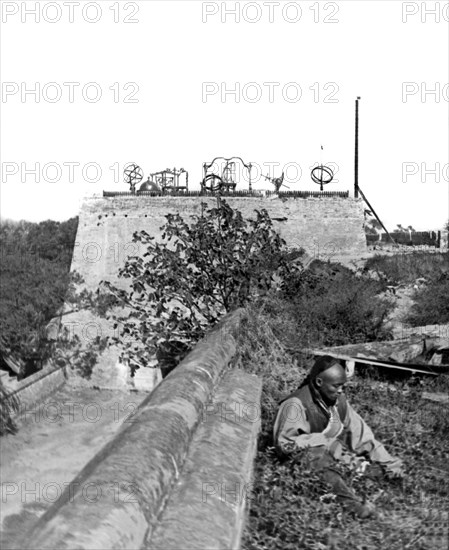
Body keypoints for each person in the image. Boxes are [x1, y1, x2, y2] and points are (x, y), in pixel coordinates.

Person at [273, 355, 404, 518]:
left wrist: (389, 463)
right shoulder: (295, 404)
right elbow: (285, 444)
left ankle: (365, 480)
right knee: (317, 457)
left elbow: (362, 435)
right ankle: (353, 506)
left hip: (334, 458)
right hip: (300, 463)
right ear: (319, 383)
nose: (341, 390)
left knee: (377, 469)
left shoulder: (338, 402)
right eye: (336, 386)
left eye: (343, 386)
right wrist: (326, 443)